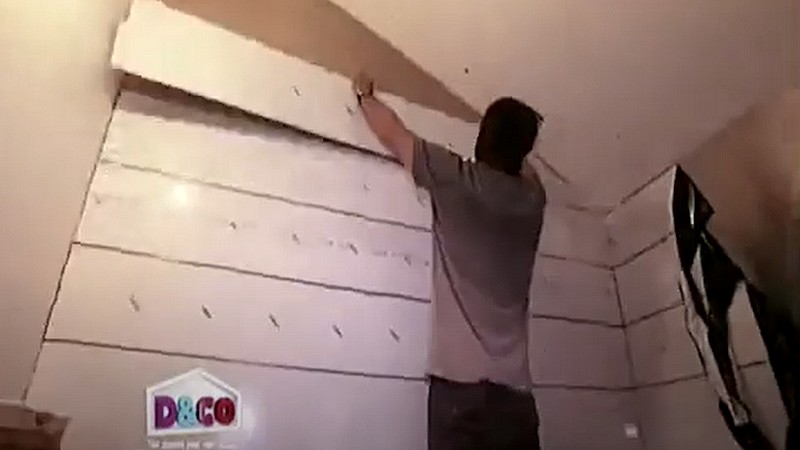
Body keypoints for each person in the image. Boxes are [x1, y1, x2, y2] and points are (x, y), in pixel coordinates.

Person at [352, 73, 546, 450]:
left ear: (482, 140)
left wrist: (364, 95)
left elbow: (393, 134)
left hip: (459, 391)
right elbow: (530, 173)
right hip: (515, 397)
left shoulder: (456, 178)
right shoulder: (533, 203)